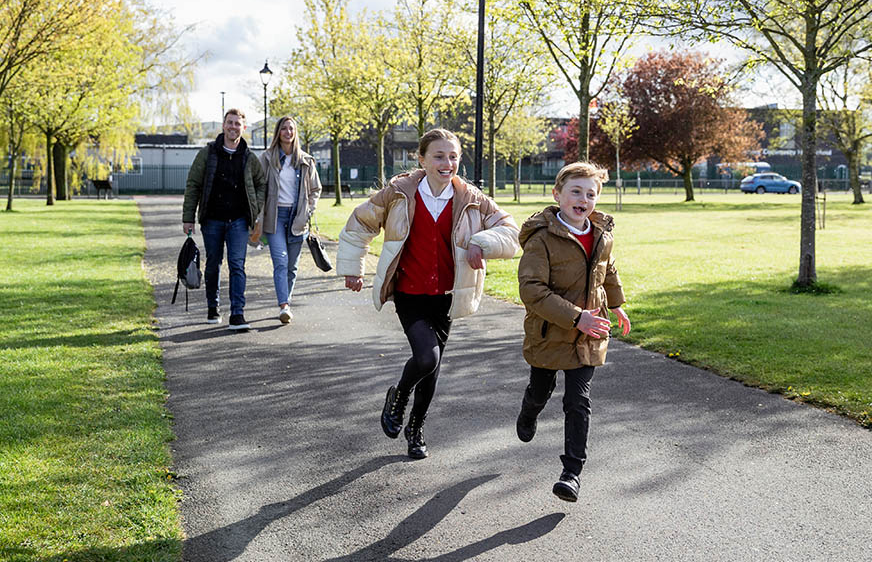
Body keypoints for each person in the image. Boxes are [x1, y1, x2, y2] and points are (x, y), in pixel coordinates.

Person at [336, 128, 519, 459]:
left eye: (453, 157)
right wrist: (353, 268)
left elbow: (510, 231)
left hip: (448, 295)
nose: (447, 163)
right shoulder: (399, 193)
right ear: (421, 159)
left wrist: (483, 242)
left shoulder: (472, 199)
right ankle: (400, 396)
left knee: (432, 369)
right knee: (427, 357)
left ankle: (415, 430)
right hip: (409, 291)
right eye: (438, 156)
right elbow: (360, 222)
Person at [514, 161, 631, 503]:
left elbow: (607, 271)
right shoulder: (541, 240)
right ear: (558, 195)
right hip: (551, 333)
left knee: (578, 400)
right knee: (541, 389)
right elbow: (532, 290)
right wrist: (576, 317)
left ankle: (571, 473)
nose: (583, 199)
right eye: (575, 192)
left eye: (590, 193)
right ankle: (529, 409)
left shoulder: (601, 235)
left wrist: (618, 303)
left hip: (589, 334)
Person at [182, 108, 267, 331]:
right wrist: (188, 217)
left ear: (243, 128)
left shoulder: (249, 158)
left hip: (239, 221)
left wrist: (255, 208)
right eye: (229, 123)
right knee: (213, 264)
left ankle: (237, 314)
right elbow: (193, 185)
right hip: (212, 220)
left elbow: (261, 184)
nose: (233, 127)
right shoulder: (208, 153)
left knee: (237, 265)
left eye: (237, 124)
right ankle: (213, 306)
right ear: (223, 125)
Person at [255, 116, 322, 324]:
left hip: (297, 219)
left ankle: (287, 301)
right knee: (281, 262)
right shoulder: (266, 159)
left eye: (291, 128)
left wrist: (308, 210)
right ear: (278, 132)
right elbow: (258, 187)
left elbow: (315, 189)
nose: (288, 132)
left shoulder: (305, 160)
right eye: (284, 128)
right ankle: (284, 305)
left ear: (295, 133)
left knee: (292, 267)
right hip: (274, 219)